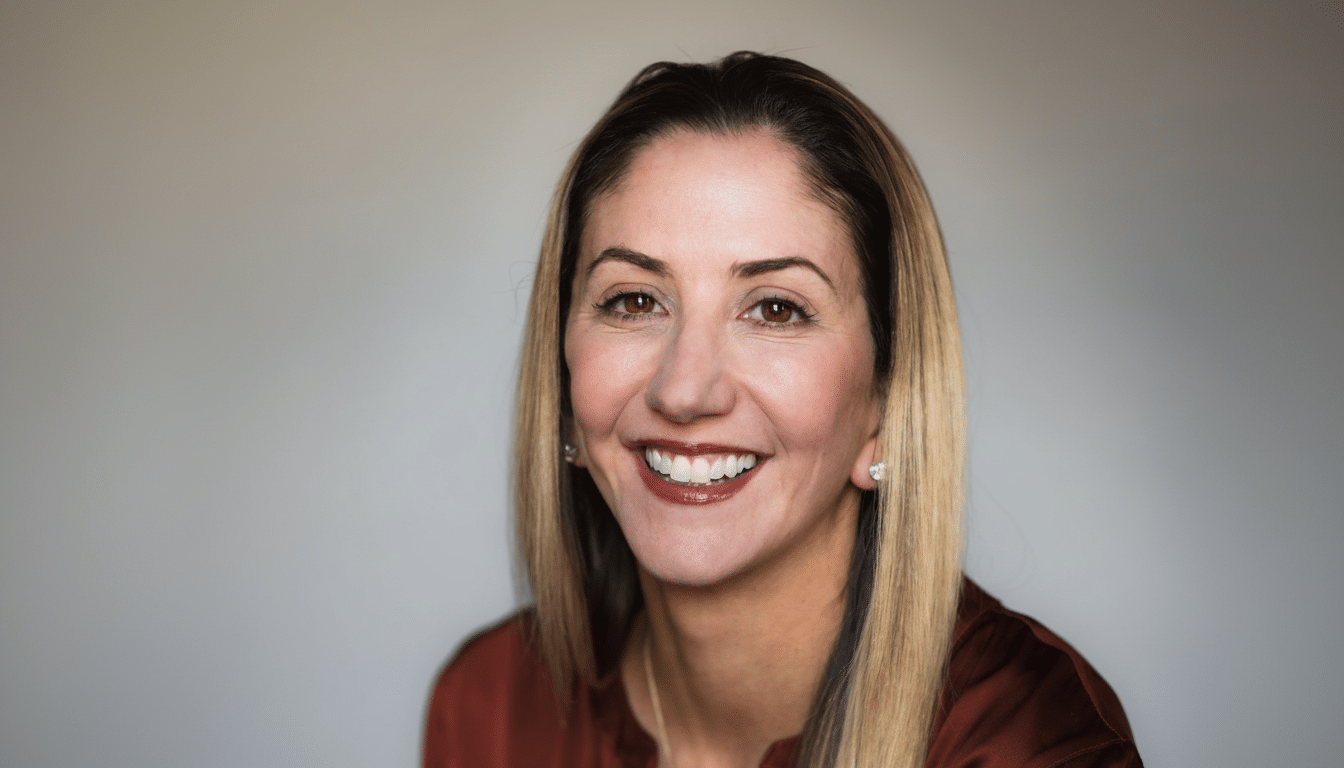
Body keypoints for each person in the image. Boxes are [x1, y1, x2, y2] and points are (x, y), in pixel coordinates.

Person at [424, 52, 1141, 768]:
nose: (684, 390)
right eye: (634, 300)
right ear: (565, 372)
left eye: (775, 309)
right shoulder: (489, 705)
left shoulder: (1030, 743)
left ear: (887, 403)